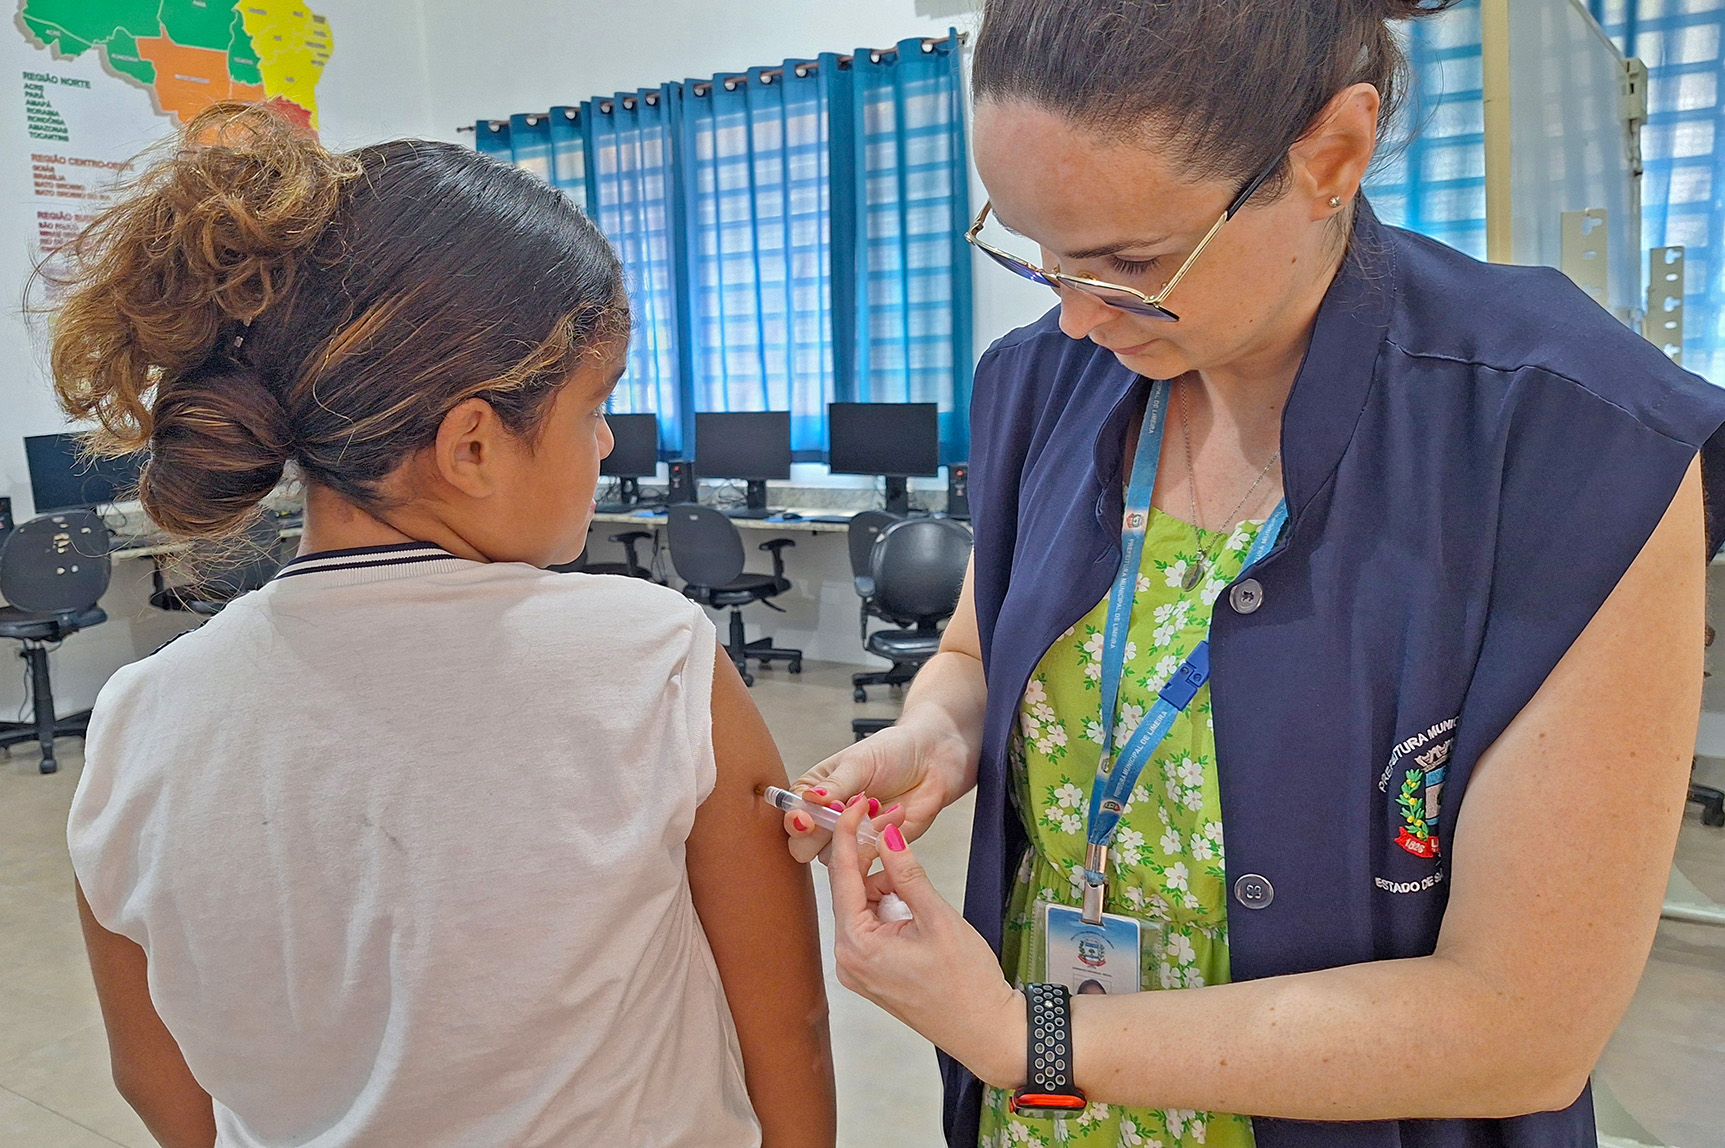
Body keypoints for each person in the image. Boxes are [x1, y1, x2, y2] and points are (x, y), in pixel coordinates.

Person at [785, 2, 1725, 1147]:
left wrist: (1021, 1034)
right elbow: (976, 652)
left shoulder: (1569, 435)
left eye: (1131, 263)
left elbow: (1523, 1022)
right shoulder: (1044, 380)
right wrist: (939, 731)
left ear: (1330, 155)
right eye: (1037, 251)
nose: (1078, 317)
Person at [53, 104, 835, 1148]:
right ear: (473, 444)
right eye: (594, 402)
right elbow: (790, 1026)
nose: (606, 439)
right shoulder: (650, 658)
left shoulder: (136, 718)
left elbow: (157, 1083)